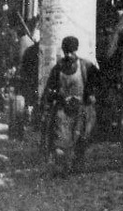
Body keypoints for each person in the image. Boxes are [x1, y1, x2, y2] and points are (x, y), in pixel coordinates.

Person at [42, 36, 100, 170]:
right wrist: (52, 100)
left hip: (82, 109)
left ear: (76, 50)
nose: (68, 55)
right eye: (65, 52)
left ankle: (77, 163)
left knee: (82, 138)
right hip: (63, 110)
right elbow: (49, 89)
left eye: (71, 52)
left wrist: (91, 94)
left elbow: (98, 82)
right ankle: (61, 167)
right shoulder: (58, 69)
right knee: (61, 140)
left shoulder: (86, 66)